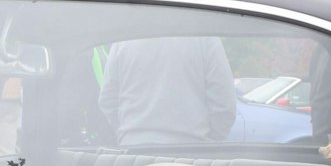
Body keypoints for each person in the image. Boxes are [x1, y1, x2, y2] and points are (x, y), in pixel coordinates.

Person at [100, 37, 238, 144]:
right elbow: (225, 104)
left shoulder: (125, 40)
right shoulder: (205, 38)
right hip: (192, 152)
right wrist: (210, 141)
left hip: (133, 151)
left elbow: (107, 100)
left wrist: (129, 134)